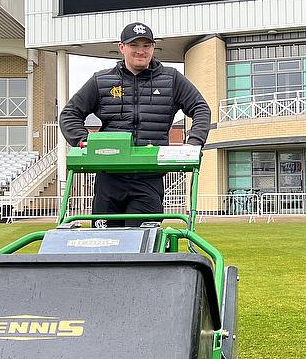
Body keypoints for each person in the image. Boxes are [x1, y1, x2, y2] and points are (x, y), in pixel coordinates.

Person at [59, 22, 211, 226]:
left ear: (153, 47)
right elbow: (69, 114)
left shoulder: (171, 79)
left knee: (143, 244)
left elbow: (201, 108)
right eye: (134, 45)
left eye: (146, 46)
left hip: (149, 178)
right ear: (122, 47)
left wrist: (194, 142)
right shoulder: (102, 80)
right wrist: (84, 141)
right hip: (109, 177)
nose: (141, 51)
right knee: (104, 244)